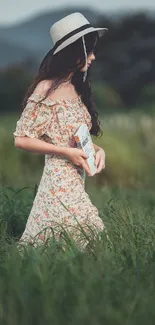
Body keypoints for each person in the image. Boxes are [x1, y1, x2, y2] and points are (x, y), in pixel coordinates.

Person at [13, 12, 108, 250]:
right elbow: (21, 139)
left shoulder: (77, 88)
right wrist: (65, 152)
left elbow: (78, 137)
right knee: (86, 236)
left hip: (77, 178)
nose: (94, 57)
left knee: (63, 242)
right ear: (74, 52)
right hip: (57, 178)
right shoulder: (45, 89)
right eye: (90, 51)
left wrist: (98, 150)